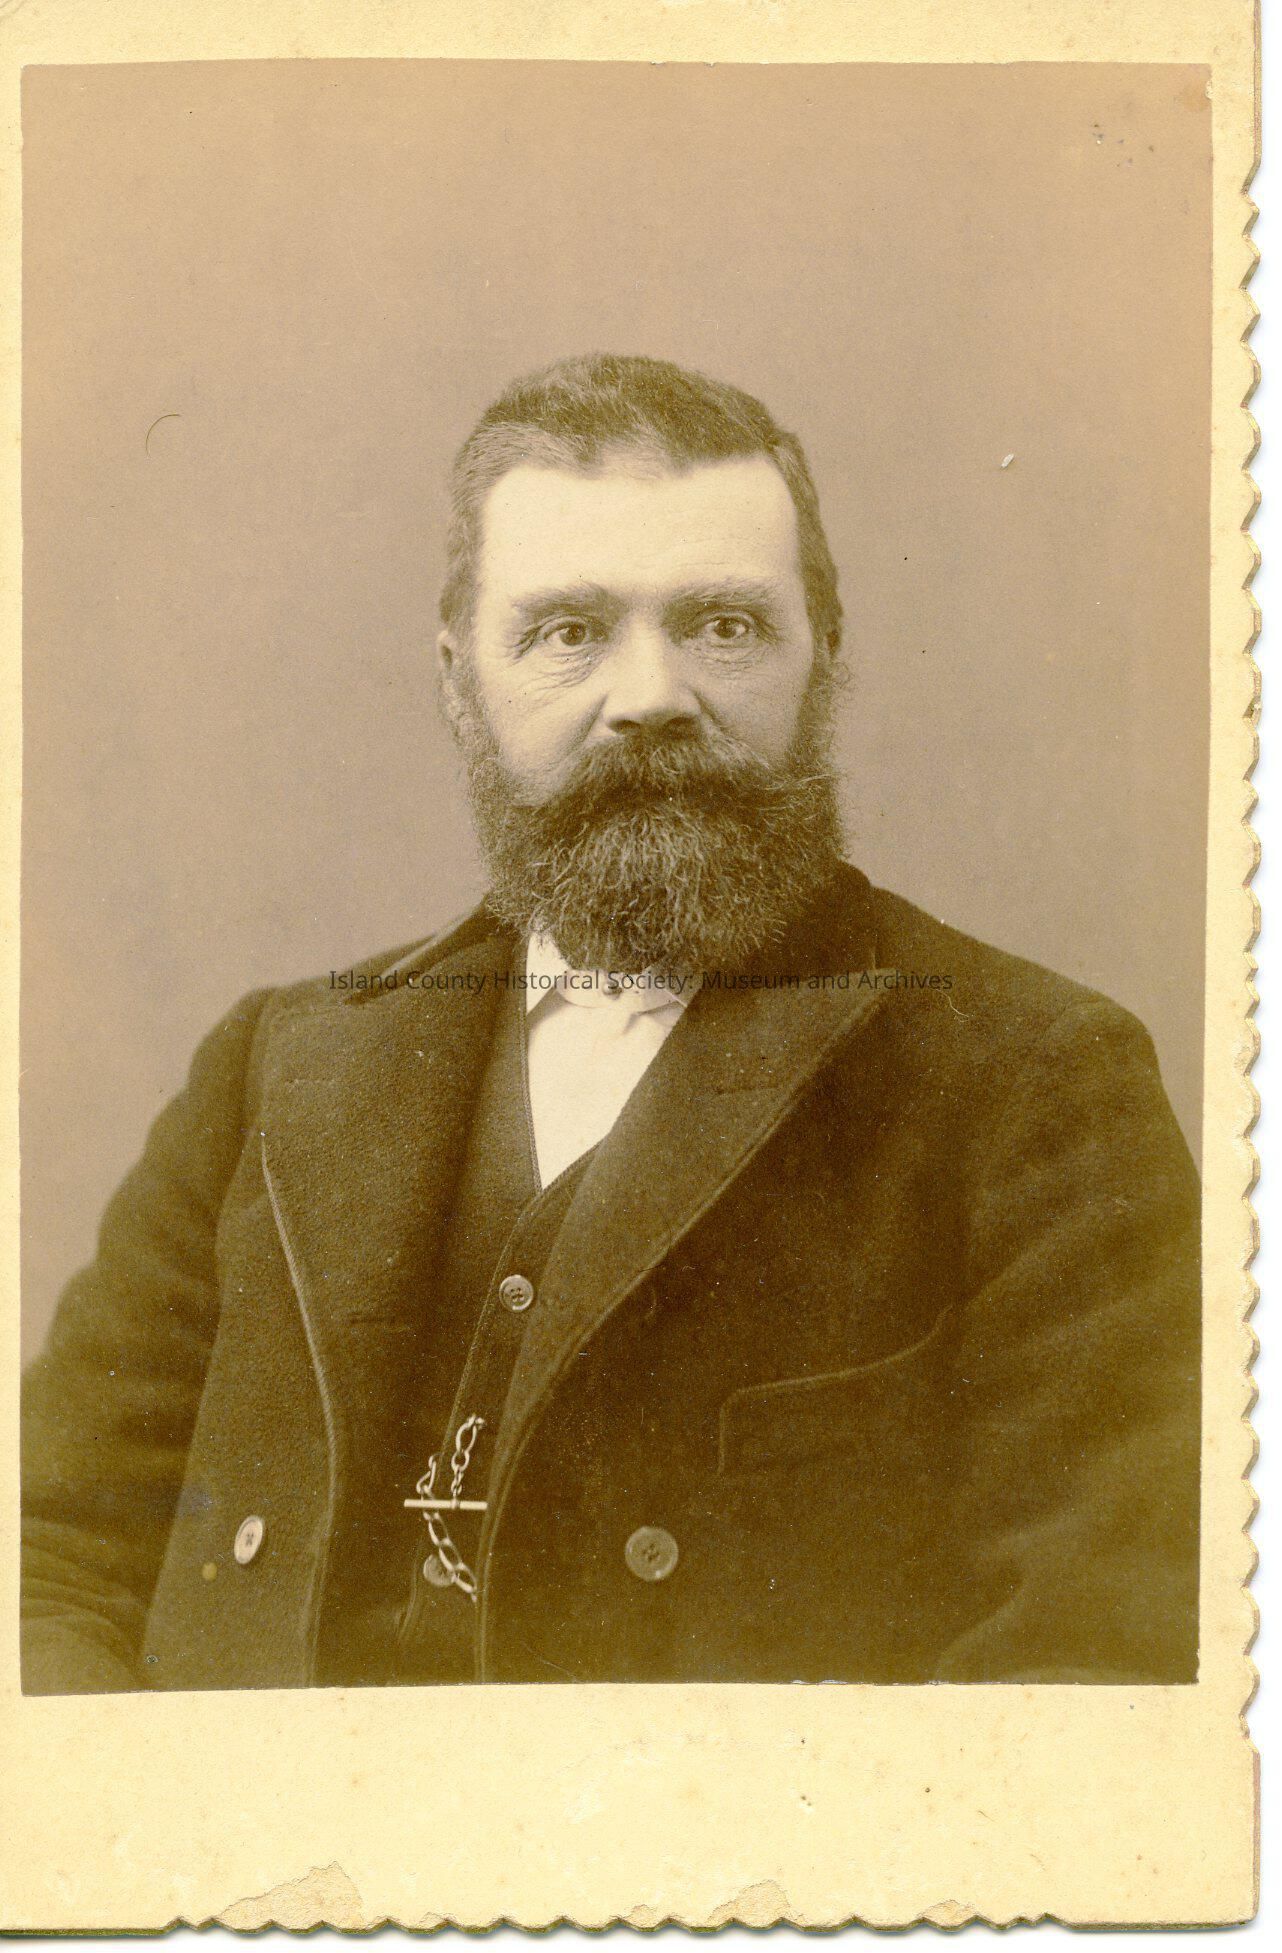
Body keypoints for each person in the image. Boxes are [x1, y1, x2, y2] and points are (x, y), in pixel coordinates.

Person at [21, 353, 1201, 1691]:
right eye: (568, 631)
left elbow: (1089, 1665)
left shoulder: (1037, 1082)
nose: (650, 696)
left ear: (825, 659)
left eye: (724, 626)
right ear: (459, 679)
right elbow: (44, 1564)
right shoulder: (272, 1071)